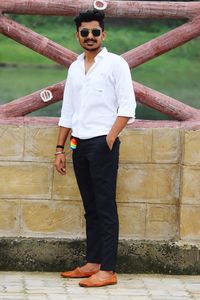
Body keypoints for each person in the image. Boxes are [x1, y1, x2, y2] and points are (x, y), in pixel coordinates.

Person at [54, 9, 136, 288]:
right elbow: (68, 110)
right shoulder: (75, 67)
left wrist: (110, 138)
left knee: (105, 206)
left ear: (104, 34)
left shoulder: (116, 64)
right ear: (77, 35)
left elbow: (127, 107)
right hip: (79, 142)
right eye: (85, 32)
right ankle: (93, 262)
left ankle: (108, 269)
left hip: (103, 142)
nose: (90, 37)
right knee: (90, 207)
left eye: (95, 32)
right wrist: (59, 148)